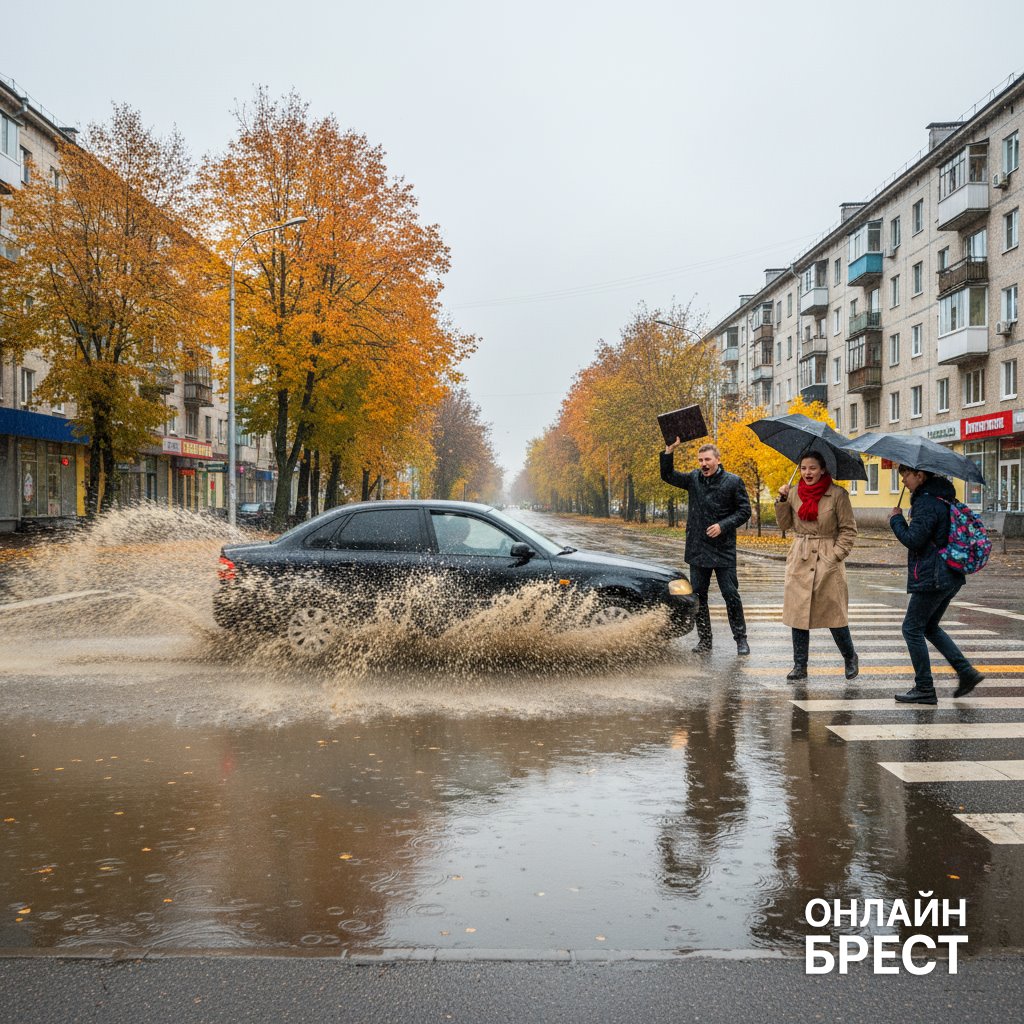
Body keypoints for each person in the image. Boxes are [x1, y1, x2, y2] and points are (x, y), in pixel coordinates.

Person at [889, 465, 984, 705]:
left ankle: (924, 688)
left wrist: (896, 520)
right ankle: (966, 672)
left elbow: (914, 540)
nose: (903, 483)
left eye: (905, 477)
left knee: (911, 629)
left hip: (934, 576)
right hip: (950, 575)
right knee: (929, 627)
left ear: (919, 476)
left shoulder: (926, 503)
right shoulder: (943, 498)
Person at [660, 439, 752, 655]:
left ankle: (741, 639)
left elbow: (744, 511)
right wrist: (668, 452)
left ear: (717, 460)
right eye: (700, 460)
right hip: (698, 548)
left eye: (707, 459)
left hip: (723, 549)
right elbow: (668, 475)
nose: (704, 463)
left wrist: (723, 525)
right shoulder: (694, 479)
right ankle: (705, 641)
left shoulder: (733, 481)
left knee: (731, 595)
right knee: (699, 598)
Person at [775, 451, 859, 681]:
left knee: (834, 614)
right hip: (800, 556)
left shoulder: (838, 495)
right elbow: (784, 525)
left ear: (822, 470)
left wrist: (834, 556)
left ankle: (850, 657)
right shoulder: (793, 493)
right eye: (803, 468)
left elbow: (849, 530)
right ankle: (800, 666)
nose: (807, 472)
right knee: (798, 614)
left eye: (812, 468)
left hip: (827, 557)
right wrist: (782, 500)